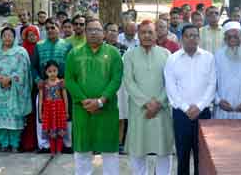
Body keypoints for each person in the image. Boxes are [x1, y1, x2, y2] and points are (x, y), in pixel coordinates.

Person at [65, 19, 123, 174]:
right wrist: (85, 101)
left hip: (107, 109)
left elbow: (116, 79)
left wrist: (101, 101)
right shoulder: (74, 53)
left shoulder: (113, 53)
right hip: (82, 110)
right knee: (83, 149)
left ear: (103, 33)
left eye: (97, 30)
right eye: (90, 30)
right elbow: (69, 80)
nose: (93, 33)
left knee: (109, 150)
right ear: (85, 33)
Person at [123, 20, 174, 175]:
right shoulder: (129, 55)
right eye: (143, 32)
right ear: (138, 34)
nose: (146, 35)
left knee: (163, 149)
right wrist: (146, 103)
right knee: (138, 148)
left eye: (150, 32)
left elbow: (171, 83)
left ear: (156, 34)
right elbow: (129, 82)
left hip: (161, 109)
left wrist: (158, 102)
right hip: (139, 110)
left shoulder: (166, 54)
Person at [164, 25, 215, 175]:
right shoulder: (172, 59)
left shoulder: (208, 58)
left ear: (199, 38)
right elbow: (170, 87)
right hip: (181, 114)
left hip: (203, 113)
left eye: (195, 35)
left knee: (202, 156)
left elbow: (212, 84)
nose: (192, 38)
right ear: (182, 39)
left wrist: (199, 106)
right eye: (188, 36)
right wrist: (186, 108)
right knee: (183, 155)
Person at [0, 27, 32, 152]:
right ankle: (4, 143)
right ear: (1, 37)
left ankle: (15, 144)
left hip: (14, 90)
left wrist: (10, 79)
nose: (7, 38)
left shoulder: (20, 52)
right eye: (4, 35)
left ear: (14, 37)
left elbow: (24, 70)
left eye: (10, 35)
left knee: (15, 117)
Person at [31, 20, 73, 153]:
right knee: (41, 116)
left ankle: (67, 144)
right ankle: (44, 145)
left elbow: (72, 66)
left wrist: (67, 79)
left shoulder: (67, 46)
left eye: (53, 27)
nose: (50, 30)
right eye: (47, 28)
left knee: (66, 116)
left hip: (63, 87)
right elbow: (32, 67)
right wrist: (38, 80)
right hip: (45, 87)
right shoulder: (39, 46)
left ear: (58, 28)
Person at [214, 22, 241, 120]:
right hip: (223, 109)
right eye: (229, 37)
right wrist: (218, 101)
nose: (232, 40)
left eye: (235, 36)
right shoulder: (217, 56)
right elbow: (211, 83)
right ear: (225, 39)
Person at [104, 22, 130, 153]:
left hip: (121, 87)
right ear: (104, 33)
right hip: (103, 86)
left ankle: (119, 143)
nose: (113, 33)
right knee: (104, 115)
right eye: (110, 30)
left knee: (120, 115)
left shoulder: (124, 48)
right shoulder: (99, 48)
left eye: (115, 31)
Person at [38, 60, 69, 154]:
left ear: (58, 71)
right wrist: (40, 113)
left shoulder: (61, 83)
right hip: (48, 110)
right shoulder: (43, 84)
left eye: (54, 71)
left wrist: (67, 111)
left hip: (59, 109)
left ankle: (59, 150)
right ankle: (52, 151)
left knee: (60, 129)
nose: (52, 73)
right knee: (50, 130)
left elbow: (65, 98)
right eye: (50, 71)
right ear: (46, 72)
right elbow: (40, 100)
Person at [20, 26, 41, 151]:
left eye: (34, 35)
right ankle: (27, 142)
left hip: (37, 85)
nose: (32, 37)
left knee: (36, 113)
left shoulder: (40, 48)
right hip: (24, 86)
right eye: (29, 35)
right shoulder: (22, 49)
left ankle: (37, 141)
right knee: (27, 114)